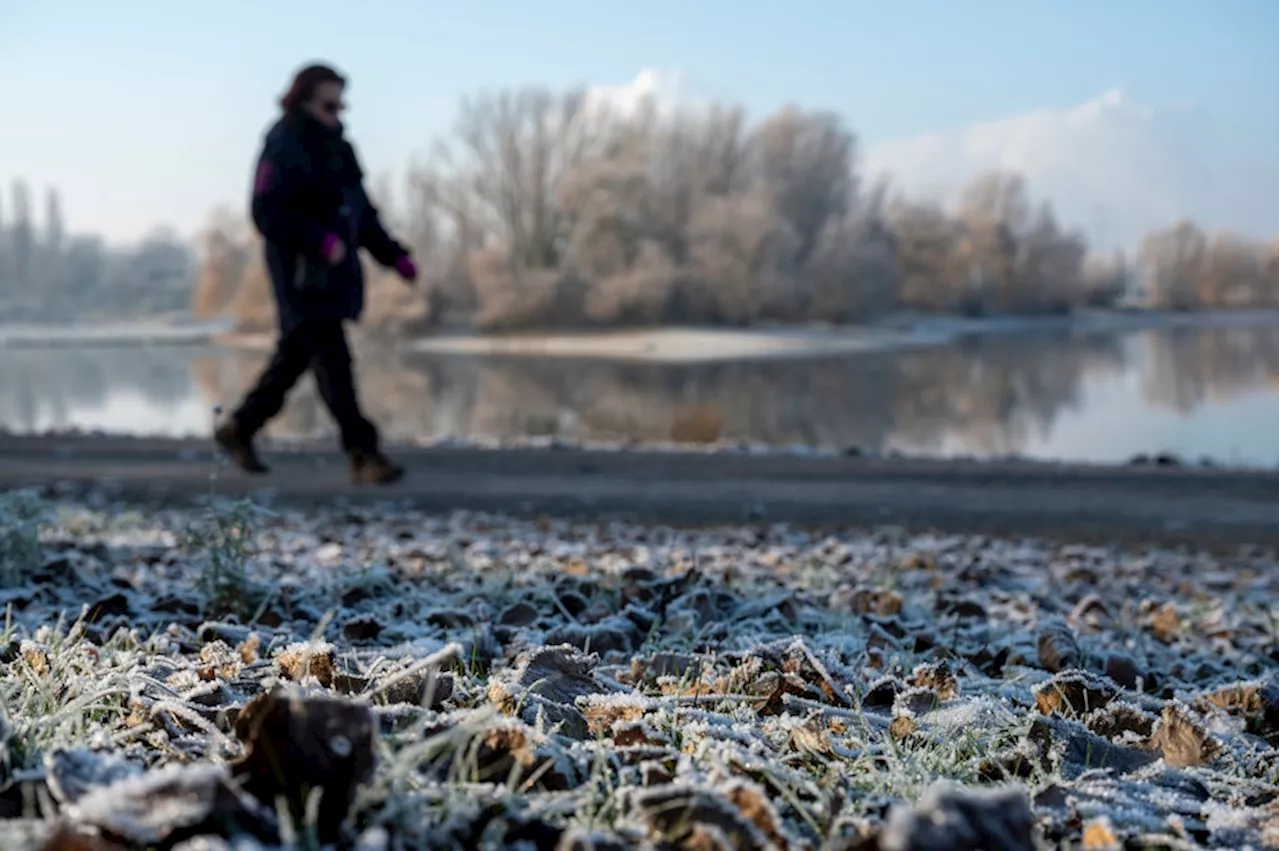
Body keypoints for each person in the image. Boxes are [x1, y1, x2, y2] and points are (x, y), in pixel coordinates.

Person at [214, 63, 418, 485]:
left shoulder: (341, 148)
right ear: (305, 97)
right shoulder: (282, 142)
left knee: (294, 358)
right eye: (331, 101)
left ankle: (240, 427)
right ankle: (364, 453)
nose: (339, 109)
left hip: (336, 275)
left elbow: (362, 214)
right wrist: (317, 240)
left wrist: (394, 256)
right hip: (300, 274)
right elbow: (266, 211)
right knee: (333, 361)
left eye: (342, 101)